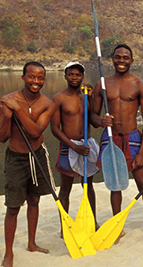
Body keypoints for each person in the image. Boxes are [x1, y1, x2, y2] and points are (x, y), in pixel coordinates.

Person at [91, 44, 143, 239]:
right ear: (112, 59)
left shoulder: (140, 85)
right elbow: (93, 116)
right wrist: (101, 121)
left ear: (131, 60)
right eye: (118, 57)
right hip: (111, 137)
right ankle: (117, 224)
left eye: (125, 57)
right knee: (115, 184)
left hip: (132, 137)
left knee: (142, 183)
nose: (121, 61)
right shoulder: (102, 85)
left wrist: (142, 150)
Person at [0, 61, 55, 267]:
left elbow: (36, 132)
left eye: (40, 77)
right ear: (23, 77)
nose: (36, 81)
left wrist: (18, 110)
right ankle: (9, 252)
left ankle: (31, 243)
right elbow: (1, 137)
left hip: (36, 156)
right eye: (31, 76)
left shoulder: (47, 103)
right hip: (16, 158)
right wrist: (7, 117)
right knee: (12, 207)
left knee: (34, 200)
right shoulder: (8, 101)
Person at [51, 61, 99, 233]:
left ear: (82, 77)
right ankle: (65, 227)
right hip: (69, 146)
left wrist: (91, 97)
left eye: (78, 74)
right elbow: (55, 128)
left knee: (89, 186)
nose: (74, 77)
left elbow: (93, 118)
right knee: (65, 188)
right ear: (65, 76)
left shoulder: (85, 96)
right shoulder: (59, 98)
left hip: (86, 145)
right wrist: (72, 146)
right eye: (71, 74)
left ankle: (93, 221)